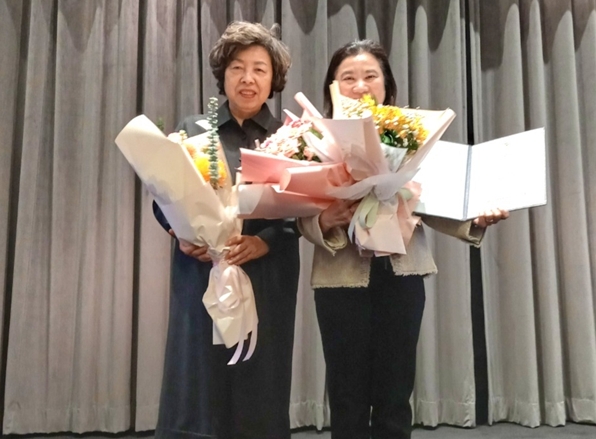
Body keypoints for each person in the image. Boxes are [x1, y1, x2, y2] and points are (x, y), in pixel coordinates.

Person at [298, 39, 509, 439]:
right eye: (348, 78)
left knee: (395, 391)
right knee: (345, 393)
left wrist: (475, 218)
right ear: (332, 87)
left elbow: (432, 200)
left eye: (370, 76)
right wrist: (324, 220)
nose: (360, 85)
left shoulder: (411, 136)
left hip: (401, 276)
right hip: (340, 279)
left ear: (387, 86)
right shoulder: (313, 140)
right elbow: (297, 212)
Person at [153, 22, 299, 439]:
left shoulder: (289, 137)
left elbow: (303, 210)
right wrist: (179, 233)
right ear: (223, 74)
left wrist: (263, 242)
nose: (247, 78)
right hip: (201, 271)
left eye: (259, 69)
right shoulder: (195, 128)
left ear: (273, 79)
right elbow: (162, 198)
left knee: (260, 377)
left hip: (265, 273)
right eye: (237, 68)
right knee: (197, 377)